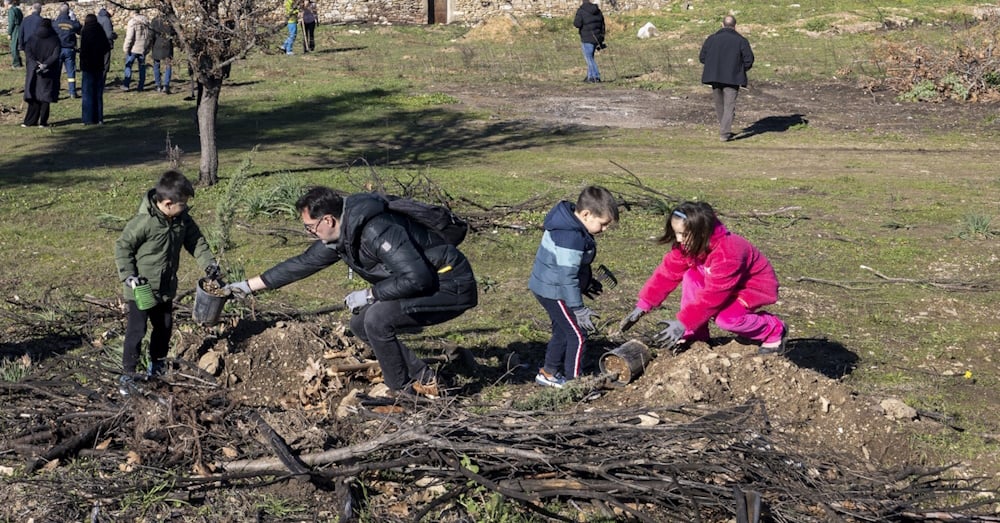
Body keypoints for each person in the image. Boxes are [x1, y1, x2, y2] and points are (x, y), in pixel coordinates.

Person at [224, 187, 478, 398]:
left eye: (310, 227)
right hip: (422, 282)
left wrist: (370, 294)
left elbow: (417, 277)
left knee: (377, 319)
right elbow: (301, 264)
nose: (309, 232)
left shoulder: (376, 230)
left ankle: (401, 392)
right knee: (360, 323)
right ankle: (426, 378)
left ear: (328, 220)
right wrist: (246, 287)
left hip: (448, 284)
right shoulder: (343, 235)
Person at [616, 201, 787, 355]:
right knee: (691, 276)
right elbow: (667, 272)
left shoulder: (728, 253)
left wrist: (684, 322)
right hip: (719, 283)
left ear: (702, 232)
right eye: (676, 233)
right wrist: (644, 304)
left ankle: (773, 329)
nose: (678, 239)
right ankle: (696, 335)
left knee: (726, 319)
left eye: (683, 234)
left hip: (750, 288)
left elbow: (714, 296)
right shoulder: (690, 244)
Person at [113, 170, 221, 395]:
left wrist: (209, 264)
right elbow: (123, 247)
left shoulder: (182, 220)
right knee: (137, 330)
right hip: (140, 288)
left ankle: (157, 366)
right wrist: (128, 275)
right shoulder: (144, 222)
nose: (186, 207)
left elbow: (196, 242)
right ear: (169, 203)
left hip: (165, 288)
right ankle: (128, 375)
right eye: (183, 204)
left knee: (164, 328)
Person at [528, 186, 619, 388]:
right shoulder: (570, 237)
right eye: (603, 224)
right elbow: (567, 276)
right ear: (586, 214)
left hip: (551, 285)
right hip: (554, 290)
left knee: (562, 330)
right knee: (578, 335)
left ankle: (548, 373)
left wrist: (586, 283)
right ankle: (575, 384)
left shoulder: (571, 223)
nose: (604, 230)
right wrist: (578, 308)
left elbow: (571, 267)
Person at [699, 14, 754, 142]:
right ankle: (724, 132)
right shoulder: (741, 40)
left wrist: (713, 66)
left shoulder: (712, 39)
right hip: (733, 77)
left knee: (719, 104)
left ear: (722, 25)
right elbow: (749, 60)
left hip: (714, 76)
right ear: (735, 26)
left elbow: (702, 57)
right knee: (729, 106)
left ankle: (724, 128)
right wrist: (740, 69)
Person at [22, 18, 60, 127]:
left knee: (33, 95)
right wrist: (45, 64)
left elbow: (28, 52)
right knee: (45, 96)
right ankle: (43, 122)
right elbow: (55, 55)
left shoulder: (32, 38)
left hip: (33, 70)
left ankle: (29, 121)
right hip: (48, 71)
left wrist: (35, 63)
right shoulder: (55, 39)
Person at [79, 13, 110, 124]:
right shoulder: (100, 31)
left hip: (87, 66)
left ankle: (87, 119)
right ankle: (99, 118)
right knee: (98, 93)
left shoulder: (85, 31)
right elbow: (107, 46)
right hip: (98, 65)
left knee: (87, 93)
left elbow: (83, 49)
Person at [572, 0, 605, 83]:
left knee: (589, 59)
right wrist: (601, 37)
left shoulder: (581, 11)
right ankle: (590, 77)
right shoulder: (598, 11)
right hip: (597, 38)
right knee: (591, 57)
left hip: (587, 38)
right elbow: (602, 24)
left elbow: (577, 24)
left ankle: (596, 76)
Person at [53, 2, 80, 98]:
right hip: (69, 50)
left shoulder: (55, 23)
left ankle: (55, 93)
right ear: (68, 12)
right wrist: (74, 19)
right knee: (71, 72)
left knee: (56, 73)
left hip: (58, 50)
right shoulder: (72, 23)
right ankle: (72, 92)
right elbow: (79, 29)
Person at [121, 10, 151, 91]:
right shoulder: (146, 21)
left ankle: (126, 85)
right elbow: (149, 36)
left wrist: (126, 48)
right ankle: (141, 86)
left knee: (128, 66)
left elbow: (130, 37)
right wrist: (148, 47)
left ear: (132, 13)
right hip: (143, 48)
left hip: (133, 48)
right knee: (142, 67)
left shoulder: (132, 22)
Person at [150, 14, 174, 94]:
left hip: (157, 44)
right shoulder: (170, 20)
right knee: (168, 65)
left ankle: (158, 85)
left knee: (156, 65)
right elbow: (174, 32)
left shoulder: (155, 20)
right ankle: (166, 85)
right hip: (167, 45)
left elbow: (151, 35)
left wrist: (149, 46)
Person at [96, 6, 115, 84]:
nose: (114, 13)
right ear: (109, 10)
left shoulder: (98, 17)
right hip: (105, 45)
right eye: (113, 10)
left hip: (96, 44)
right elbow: (109, 34)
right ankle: (101, 82)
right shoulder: (106, 19)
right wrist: (114, 35)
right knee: (105, 64)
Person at [6, 0, 23, 68]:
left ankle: (16, 64)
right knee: (17, 46)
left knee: (14, 47)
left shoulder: (11, 10)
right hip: (20, 28)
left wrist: (9, 33)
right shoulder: (18, 9)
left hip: (15, 29)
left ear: (7, 3)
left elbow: (11, 22)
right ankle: (19, 62)